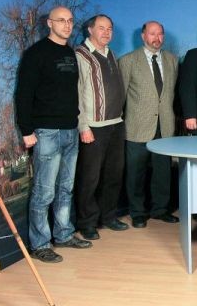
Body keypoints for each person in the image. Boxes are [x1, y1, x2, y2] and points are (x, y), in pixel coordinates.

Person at [15, 6, 92, 263]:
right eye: (61, 20)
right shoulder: (36, 54)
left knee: (65, 188)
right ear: (49, 23)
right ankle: (40, 244)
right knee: (44, 191)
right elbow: (23, 94)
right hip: (46, 132)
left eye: (70, 21)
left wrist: (78, 123)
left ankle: (64, 234)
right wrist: (26, 130)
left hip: (70, 129)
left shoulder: (69, 52)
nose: (67, 25)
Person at [119, 21, 179, 228]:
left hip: (165, 126)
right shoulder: (128, 61)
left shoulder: (172, 60)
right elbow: (121, 97)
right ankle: (137, 212)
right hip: (137, 127)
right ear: (143, 36)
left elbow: (170, 94)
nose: (157, 38)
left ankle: (160, 210)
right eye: (152, 33)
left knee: (163, 172)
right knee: (136, 173)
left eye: (160, 34)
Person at [74, 14, 128, 240]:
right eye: (101, 28)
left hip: (116, 123)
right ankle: (87, 223)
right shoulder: (81, 55)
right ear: (90, 30)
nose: (106, 33)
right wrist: (83, 126)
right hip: (93, 127)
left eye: (110, 29)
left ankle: (108, 216)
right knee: (90, 178)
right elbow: (77, 93)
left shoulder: (111, 54)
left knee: (113, 175)